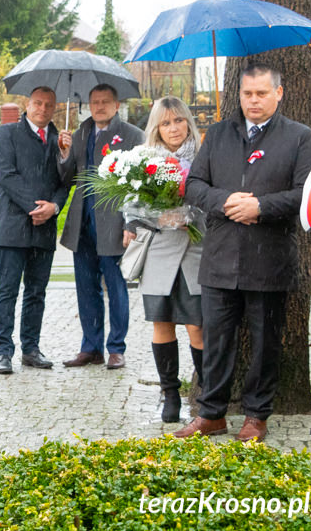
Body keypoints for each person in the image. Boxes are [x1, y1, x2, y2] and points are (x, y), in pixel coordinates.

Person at [177, 63, 311, 442]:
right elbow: (194, 185)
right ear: (238, 95)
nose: (253, 101)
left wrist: (261, 206)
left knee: (264, 342)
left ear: (279, 93)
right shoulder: (219, 133)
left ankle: (256, 414)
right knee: (218, 341)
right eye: (247, 94)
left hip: (269, 257)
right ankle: (211, 414)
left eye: (261, 93)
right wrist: (224, 201)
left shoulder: (299, 137)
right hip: (221, 256)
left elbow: (307, 194)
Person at [124, 97, 205, 423]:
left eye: (179, 121)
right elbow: (129, 205)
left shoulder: (202, 157)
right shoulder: (144, 160)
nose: (174, 128)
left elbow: (213, 198)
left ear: (188, 122)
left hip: (195, 250)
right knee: (162, 324)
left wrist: (189, 215)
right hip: (159, 251)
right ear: (156, 128)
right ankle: (170, 394)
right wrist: (157, 216)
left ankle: (207, 394)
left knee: (197, 326)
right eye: (166, 123)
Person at [57, 84, 145, 369]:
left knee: (116, 287)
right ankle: (90, 347)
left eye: (106, 102)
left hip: (114, 223)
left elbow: (141, 185)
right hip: (82, 223)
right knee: (86, 288)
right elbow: (66, 176)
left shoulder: (133, 136)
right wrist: (65, 153)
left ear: (116, 105)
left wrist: (132, 222)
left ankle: (116, 348)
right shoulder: (80, 134)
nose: (99, 107)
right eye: (94, 102)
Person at [0, 86, 68, 374]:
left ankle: (31, 348)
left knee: (37, 292)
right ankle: (3, 351)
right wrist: (35, 207)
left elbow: (66, 181)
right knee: (7, 290)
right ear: (28, 104)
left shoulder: (60, 141)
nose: (43, 109)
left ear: (54, 108)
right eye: (38, 103)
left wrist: (55, 208)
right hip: (13, 226)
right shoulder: (7, 134)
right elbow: (5, 175)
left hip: (44, 229)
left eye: (49, 105)